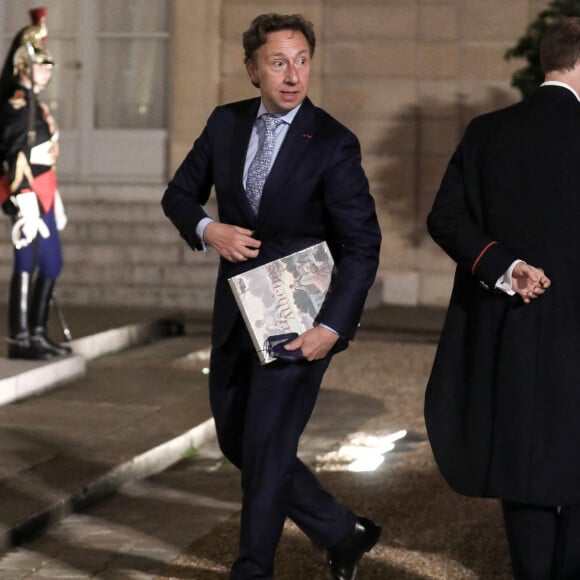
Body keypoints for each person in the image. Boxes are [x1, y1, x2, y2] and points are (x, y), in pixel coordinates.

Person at [162, 12, 382, 580]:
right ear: (252, 69)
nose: (292, 76)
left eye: (302, 61)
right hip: (236, 316)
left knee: (265, 445)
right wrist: (210, 230)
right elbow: (179, 195)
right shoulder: (225, 124)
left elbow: (362, 245)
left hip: (300, 319)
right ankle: (341, 532)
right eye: (278, 63)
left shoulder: (333, 143)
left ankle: (252, 566)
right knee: (239, 440)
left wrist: (330, 328)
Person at [423, 16, 580, 580]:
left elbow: (445, 217)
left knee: (527, 470)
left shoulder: (488, 132)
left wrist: (504, 265)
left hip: (517, 330)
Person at [0, 6, 70, 360]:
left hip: (44, 192)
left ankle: (37, 332)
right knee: (29, 263)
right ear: (25, 65)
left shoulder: (34, 103)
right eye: (43, 64)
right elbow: (14, 155)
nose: (49, 70)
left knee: (50, 263)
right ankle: (22, 337)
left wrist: (53, 199)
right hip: (27, 195)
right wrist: (23, 200)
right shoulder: (17, 105)